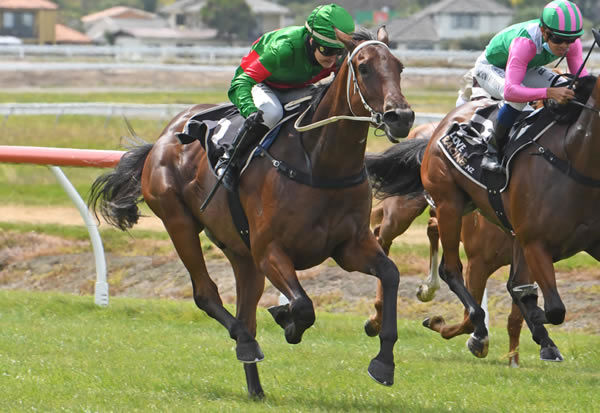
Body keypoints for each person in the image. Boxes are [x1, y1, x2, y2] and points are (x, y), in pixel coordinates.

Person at [217, 3, 355, 190]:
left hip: (298, 85)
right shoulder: (284, 48)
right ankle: (228, 161)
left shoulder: (338, 56)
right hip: (261, 83)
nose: (333, 58)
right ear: (311, 40)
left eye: (339, 51)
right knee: (272, 112)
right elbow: (241, 82)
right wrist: (250, 110)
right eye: (327, 50)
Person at [471, 0, 588, 174]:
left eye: (571, 40)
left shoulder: (570, 44)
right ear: (543, 31)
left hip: (524, 68)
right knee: (517, 102)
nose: (565, 46)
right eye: (558, 39)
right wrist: (549, 93)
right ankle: (492, 151)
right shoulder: (525, 43)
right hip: (491, 67)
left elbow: (582, 80)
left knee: (568, 88)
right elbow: (511, 92)